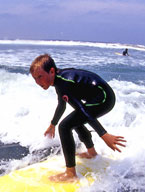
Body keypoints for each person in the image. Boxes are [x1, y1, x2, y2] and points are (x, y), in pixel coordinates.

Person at [30, 54, 126, 182]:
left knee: (65, 126)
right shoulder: (59, 80)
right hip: (102, 96)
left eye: (40, 77)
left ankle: (71, 174)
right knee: (74, 121)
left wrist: (104, 135)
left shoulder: (64, 83)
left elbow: (83, 110)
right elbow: (62, 105)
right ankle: (91, 153)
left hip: (104, 99)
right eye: (35, 78)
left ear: (51, 71)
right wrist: (53, 124)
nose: (37, 82)